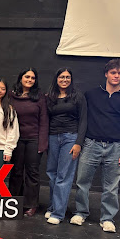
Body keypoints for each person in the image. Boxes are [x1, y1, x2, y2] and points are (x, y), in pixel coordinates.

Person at [71, 59, 120, 233]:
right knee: (82, 182)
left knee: (111, 186)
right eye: (113, 72)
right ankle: (80, 212)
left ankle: (107, 218)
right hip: (90, 144)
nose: (116, 76)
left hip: (115, 147)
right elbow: (80, 116)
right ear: (106, 74)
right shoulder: (91, 94)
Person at [45, 68, 87, 225]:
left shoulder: (77, 97)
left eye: (67, 77)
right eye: (61, 77)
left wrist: (78, 143)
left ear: (71, 79)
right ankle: (52, 206)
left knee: (64, 176)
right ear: (56, 79)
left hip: (70, 137)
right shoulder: (51, 97)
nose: (64, 79)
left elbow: (83, 121)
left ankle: (58, 213)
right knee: (52, 174)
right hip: (53, 137)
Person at [9, 67, 49, 217]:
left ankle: (31, 204)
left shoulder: (39, 97)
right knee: (16, 171)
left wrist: (42, 144)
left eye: (32, 78)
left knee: (32, 173)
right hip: (16, 139)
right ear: (21, 78)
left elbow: (44, 121)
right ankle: (13, 202)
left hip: (34, 140)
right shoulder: (12, 95)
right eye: (27, 77)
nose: (29, 80)